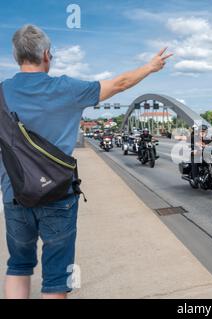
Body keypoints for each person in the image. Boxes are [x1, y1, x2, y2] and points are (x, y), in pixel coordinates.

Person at [0, 24, 172, 299]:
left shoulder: (2, 93)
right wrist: (150, 66)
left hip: (14, 194)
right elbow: (120, 84)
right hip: (58, 195)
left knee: (18, 265)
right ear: (46, 54)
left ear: (15, 57)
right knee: (56, 276)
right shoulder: (67, 89)